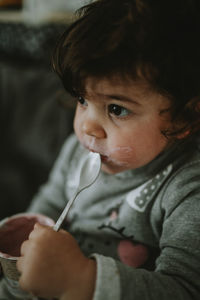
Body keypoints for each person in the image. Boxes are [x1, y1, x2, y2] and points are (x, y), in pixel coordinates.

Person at [1, 0, 200, 299]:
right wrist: (27, 249)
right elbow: (52, 201)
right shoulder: (77, 151)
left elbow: (184, 289)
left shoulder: (186, 190)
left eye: (117, 109)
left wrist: (82, 279)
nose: (87, 127)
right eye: (82, 100)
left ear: (185, 119)